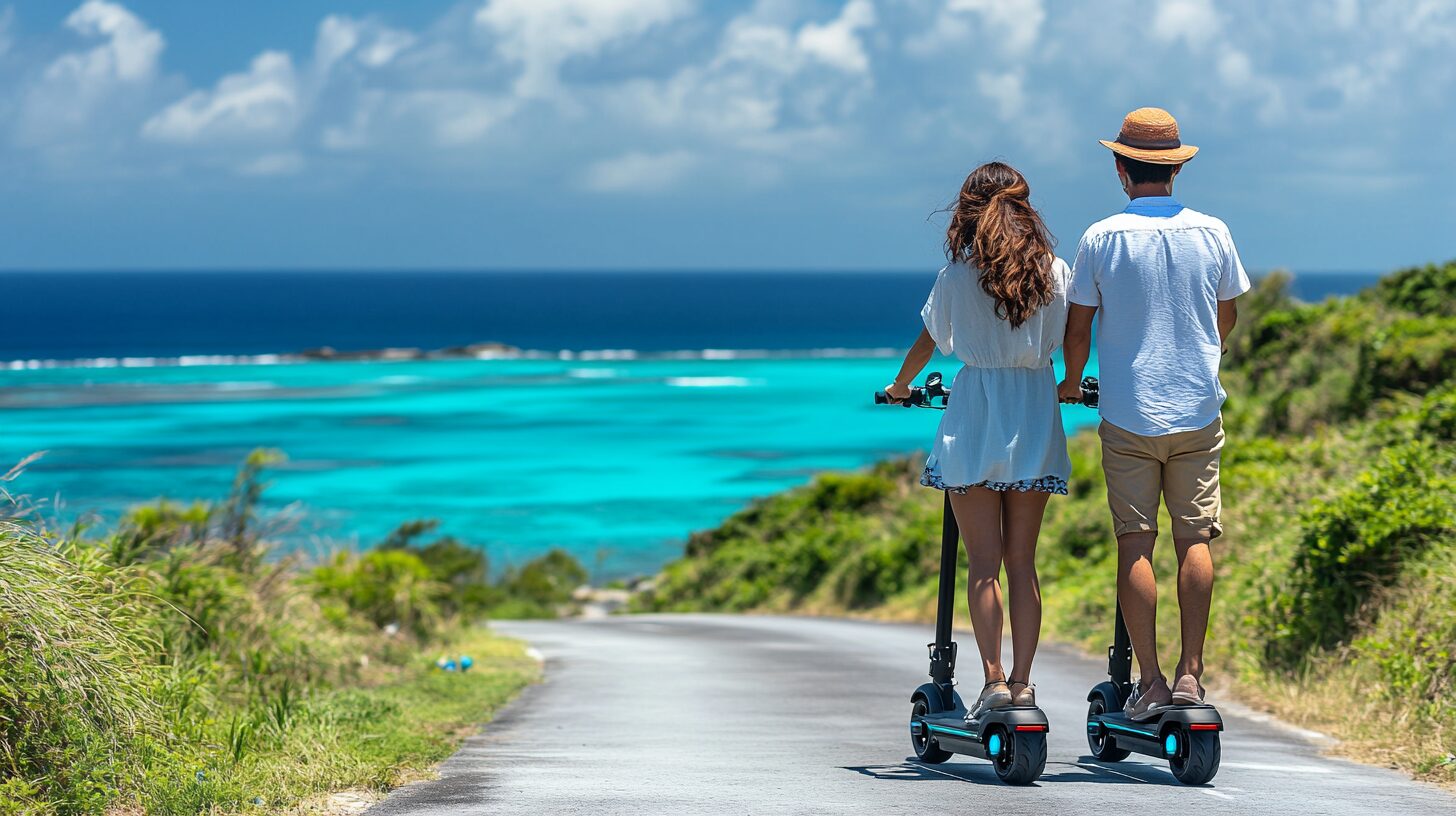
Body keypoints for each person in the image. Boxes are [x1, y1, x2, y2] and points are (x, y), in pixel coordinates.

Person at [1057, 107, 1250, 721]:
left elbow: (1079, 326)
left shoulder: (1101, 237)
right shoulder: (1213, 232)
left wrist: (1071, 381)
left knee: (1135, 543)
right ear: (1176, 169)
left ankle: (1151, 680)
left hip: (1128, 412)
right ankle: (1193, 674)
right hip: (1196, 408)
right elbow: (1227, 317)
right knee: (1195, 539)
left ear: (1121, 168)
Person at [885, 161, 1072, 722]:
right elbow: (1075, 335)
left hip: (973, 417)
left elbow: (927, 343)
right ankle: (1022, 683)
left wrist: (899, 388)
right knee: (1023, 562)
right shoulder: (1055, 273)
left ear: (970, 210)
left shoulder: (957, 277)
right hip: (1035, 412)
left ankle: (991, 682)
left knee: (983, 564)